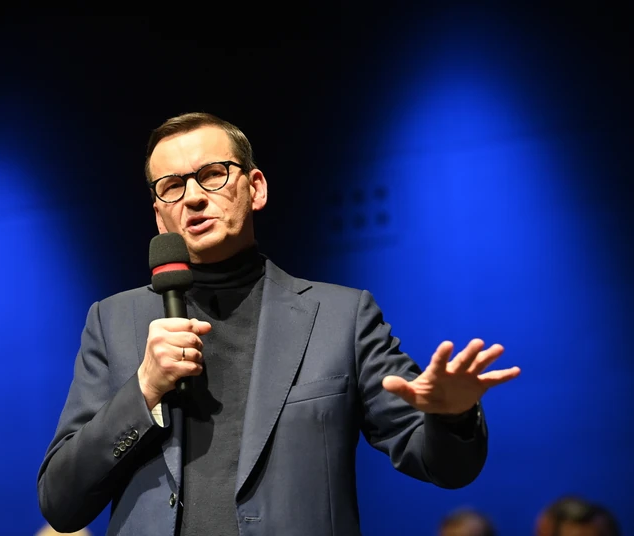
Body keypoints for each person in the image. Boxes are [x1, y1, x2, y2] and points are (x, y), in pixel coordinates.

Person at [37, 112, 521, 535]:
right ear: (160, 214)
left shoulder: (341, 317)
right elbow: (60, 502)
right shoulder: (113, 322)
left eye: (212, 175)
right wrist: (143, 389)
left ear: (256, 188)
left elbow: (444, 466)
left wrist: (452, 416)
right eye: (172, 186)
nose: (194, 197)